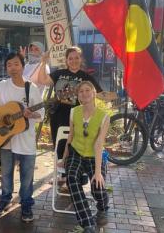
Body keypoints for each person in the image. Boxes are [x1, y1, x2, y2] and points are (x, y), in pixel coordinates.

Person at [0, 53, 44, 222]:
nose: (13, 68)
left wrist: (32, 114)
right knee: (6, 174)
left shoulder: (32, 88)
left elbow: (42, 114)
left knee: (27, 176)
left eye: (16, 64)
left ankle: (26, 204)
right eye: (9, 65)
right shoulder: (2, 85)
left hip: (26, 141)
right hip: (5, 139)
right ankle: (5, 199)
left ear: (23, 66)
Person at [37, 46, 105, 166]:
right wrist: (43, 62)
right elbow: (42, 80)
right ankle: (61, 175)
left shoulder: (86, 77)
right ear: (66, 60)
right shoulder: (59, 73)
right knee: (59, 144)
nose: (73, 61)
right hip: (58, 115)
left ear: (81, 59)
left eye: (76, 58)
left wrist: (117, 95)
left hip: (77, 115)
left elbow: (101, 94)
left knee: (74, 145)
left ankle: (72, 173)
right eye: (70, 58)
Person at [59, 81, 110, 233]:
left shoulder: (104, 116)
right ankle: (88, 223)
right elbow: (71, 137)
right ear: (78, 95)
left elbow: (99, 144)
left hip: (95, 156)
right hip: (76, 152)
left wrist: (98, 172)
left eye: (88, 90)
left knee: (98, 187)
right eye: (81, 91)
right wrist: (63, 158)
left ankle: (102, 207)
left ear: (94, 93)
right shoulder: (74, 112)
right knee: (72, 178)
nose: (84, 93)